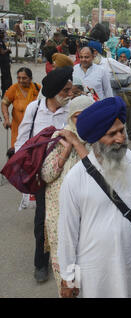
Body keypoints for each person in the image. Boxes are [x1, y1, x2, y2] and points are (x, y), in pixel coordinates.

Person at [58, 97, 131, 298]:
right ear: (95, 140)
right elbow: (67, 233)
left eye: (122, 131)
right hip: (95, 274)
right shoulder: (75, 178)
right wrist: (69, 277)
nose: (120, 139)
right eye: (112, 134)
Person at [15, 67, 74, 283]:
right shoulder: (35, 108)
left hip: (67, 175)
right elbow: (22, 139)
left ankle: (68, 260)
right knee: (42, 219)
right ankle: (41, 262)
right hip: (41, 175)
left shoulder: (71, 110)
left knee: (69, 218)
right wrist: (25, 167)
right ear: (55, 91)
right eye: (66, 90)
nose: (69, 94)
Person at [41, 96, 93, 297]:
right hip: (59, 220)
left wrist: (79, 145)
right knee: (66, 279)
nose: (82, 121)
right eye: (78, 116)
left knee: (88, 279)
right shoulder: (59, 138)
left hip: (88, 222)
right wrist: (66, 150)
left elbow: (100, 178)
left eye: (87, 116)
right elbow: (46, 175)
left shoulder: (98, 140)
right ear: (71, 117)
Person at [2, 68, 41, 153]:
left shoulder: (37, 88)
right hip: (17, 129)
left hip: (34, 129)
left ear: (30, 79)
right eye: (19, 78)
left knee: (32, 153)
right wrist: (6, 119)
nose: (21, 80)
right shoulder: (14, 89)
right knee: (17, 153)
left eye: (24, 78)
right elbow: (4, 103)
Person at [0, 30, 12, 96]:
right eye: (2, 34)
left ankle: (6, 90)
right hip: (3, 62)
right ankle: (5, 91)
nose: (3, 35)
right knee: (5, 76)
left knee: (6, 76)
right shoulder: (0, 42)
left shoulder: (2, 41)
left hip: (5, 61)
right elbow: (2, 52)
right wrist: (7, 50)